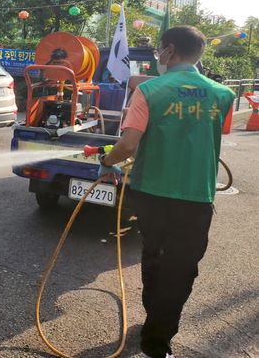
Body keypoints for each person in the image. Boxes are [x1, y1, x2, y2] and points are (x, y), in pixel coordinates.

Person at [97, 26, 234, 358]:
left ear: (170, 50)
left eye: (160, 49)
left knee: (154, 258)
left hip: (152, 195)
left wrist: (106, 162)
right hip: (197, 197)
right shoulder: (223, 94)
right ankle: (158, 339)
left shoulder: (149, 91)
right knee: (182, 269)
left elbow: (128, 145)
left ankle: (154, 327)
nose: (158, 55)